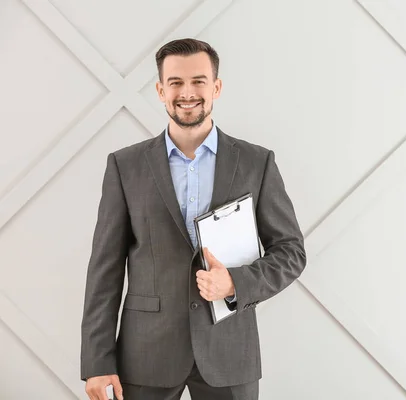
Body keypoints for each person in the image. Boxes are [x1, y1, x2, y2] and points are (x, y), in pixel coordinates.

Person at [80, 38, 306, 400]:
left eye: (199, 81)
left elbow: (291, 252)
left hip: (230, 351)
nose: (188, 93)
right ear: (160, 90)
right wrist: (97, 360)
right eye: (176, 83)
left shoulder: (255, 163)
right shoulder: (125, 166)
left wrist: (235, 283)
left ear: (216, 87)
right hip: (145, 354)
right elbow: (104, 269)